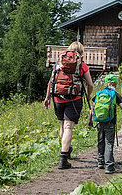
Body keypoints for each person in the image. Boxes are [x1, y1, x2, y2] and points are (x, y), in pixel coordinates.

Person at [44, 41, 94, 169]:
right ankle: (63, 158)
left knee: (62, 124)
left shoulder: (59, 63)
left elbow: (51, 80)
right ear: (81, 52)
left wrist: (47, 98)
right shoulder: (82, 65)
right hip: (74, 97)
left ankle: (66, 148)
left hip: (57, 96)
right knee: (68, 127)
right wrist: (88, 96)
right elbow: (90, 84)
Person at [88, 74, 122, 174]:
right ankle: (109, 166)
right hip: (110, 123)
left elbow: (92, 108)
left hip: (99, 121)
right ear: (115, 84)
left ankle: (100, 162)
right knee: (109, 143)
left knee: (100, 141)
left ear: (105, 83)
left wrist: (90, 120)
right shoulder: (114, 94)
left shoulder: (99, 93)